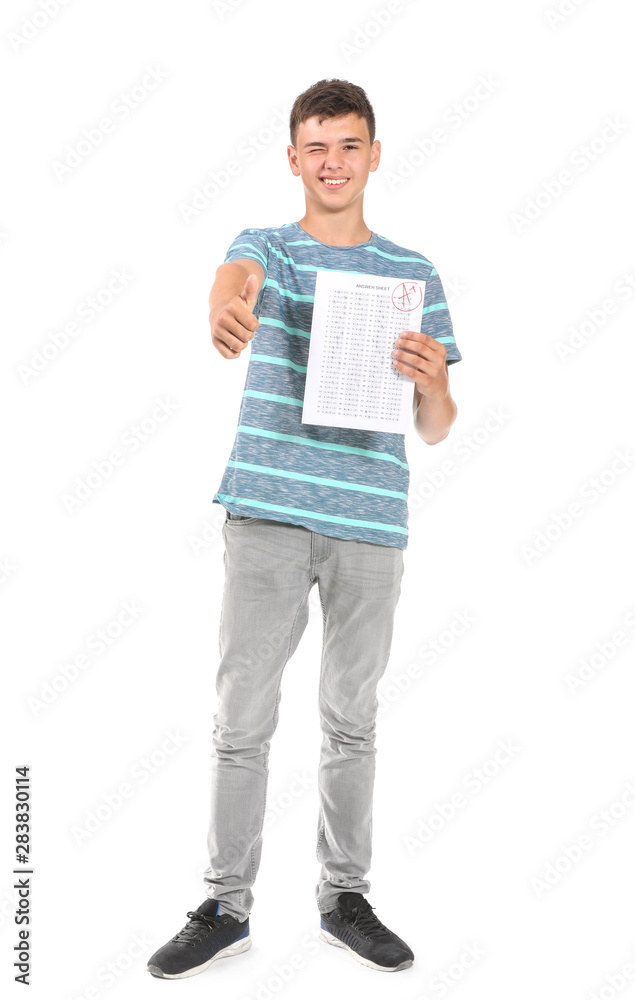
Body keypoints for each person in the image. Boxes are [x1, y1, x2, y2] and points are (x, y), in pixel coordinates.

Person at [147, 77, 462, 980]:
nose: (332, 162)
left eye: (348, 145)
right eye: (315, 147)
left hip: (369, 521)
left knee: (350, 720)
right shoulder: (268, 253)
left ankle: (344, 897)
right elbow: (229, 280)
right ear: (294, 159)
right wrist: (224, 310)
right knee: (240, 719)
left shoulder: (413, 276)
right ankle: (223, 904)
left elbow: (435, 425)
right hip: (267, 518)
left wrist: (433, 381)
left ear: (373, 154)